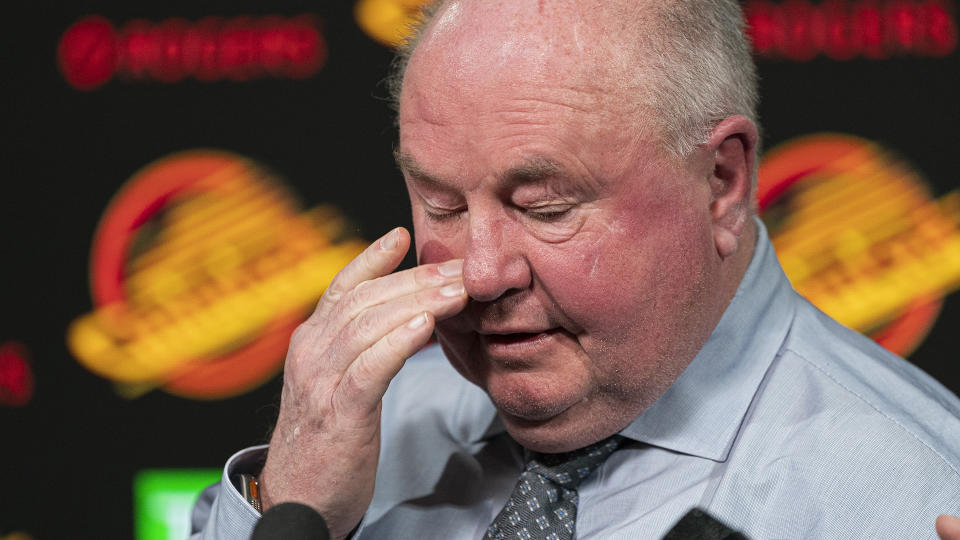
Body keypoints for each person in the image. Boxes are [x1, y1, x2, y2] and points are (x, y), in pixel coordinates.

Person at [191, 1, 960, 538]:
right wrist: (288, 513)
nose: (482, 274)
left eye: (545, 206)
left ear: (721, 183)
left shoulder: (919, 495)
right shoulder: (370, 431)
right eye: (442, 206)